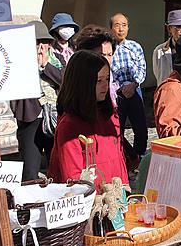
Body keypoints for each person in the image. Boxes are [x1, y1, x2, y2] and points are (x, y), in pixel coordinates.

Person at [49, 50, 128, 188]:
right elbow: (72, 178)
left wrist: (124, 189)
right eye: (99, 81)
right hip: (91, 201)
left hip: (116, 196)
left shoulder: (110, 115)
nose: (105, 86)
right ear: (82, 83)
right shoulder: (70, 126)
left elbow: (119, 159)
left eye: (107, 79)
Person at [11, 20, 63, 180]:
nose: (42, 47)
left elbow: (65, 81)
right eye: (37, 42)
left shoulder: (58, 60)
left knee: (58, 167)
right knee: (30, 171)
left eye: (45, 42)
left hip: (54, 118)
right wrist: (32, 65)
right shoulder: (17, 62)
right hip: (30, 119)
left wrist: (45, 65)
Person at [110, 13, 148, 157]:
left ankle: (139, 156)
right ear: (111, 28)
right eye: (117, 25)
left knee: (140, 127)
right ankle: (121, 156)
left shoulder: (134, 47)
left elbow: (142, 68)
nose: (121, 29)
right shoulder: (108, 49)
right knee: (116, 128)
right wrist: (120, 88)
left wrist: (133, 84)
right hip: (116, 93)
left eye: (124, 25)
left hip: (134, 89)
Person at [152, 10, 181, 86]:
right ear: (169, 29)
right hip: (168, 92)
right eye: (178, 27)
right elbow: (158, 74)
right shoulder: (159, 51)